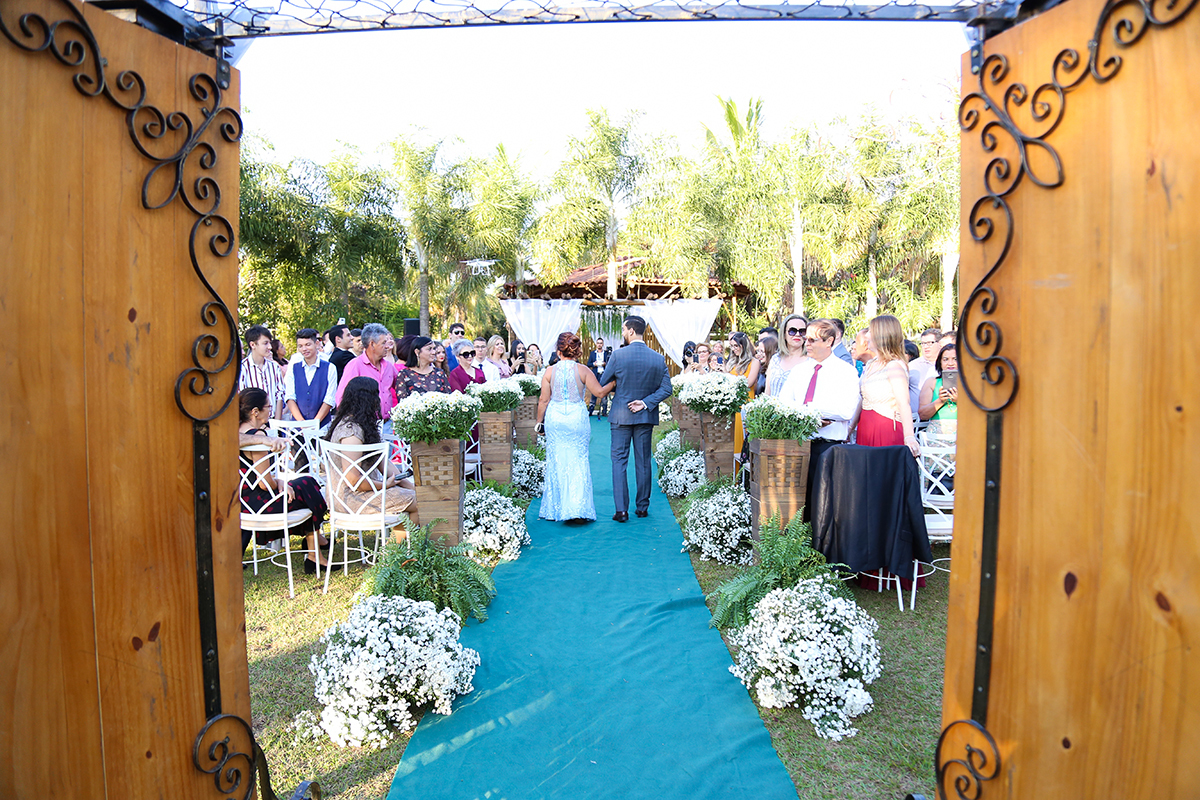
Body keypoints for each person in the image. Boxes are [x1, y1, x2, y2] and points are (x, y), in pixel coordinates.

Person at [238, 388, 330, 574]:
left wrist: (279, 481)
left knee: (305, 485)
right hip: (259, 504)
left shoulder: (237, 432)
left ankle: (316, 551)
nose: (271, 411)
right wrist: (279, 484)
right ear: (255, 412)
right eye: (268, 407)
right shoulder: (258, 436)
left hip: (244, 500)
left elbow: (259, 477)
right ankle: (315, 550)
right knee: (307, 486)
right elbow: (264, 483)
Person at [778, 320, 863, 521]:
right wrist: (812, 414)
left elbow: (845, 410)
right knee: (799, 506)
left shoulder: (845, 371)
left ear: (829, 341)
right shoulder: (799, 370)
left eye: (812, 340)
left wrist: (808, 410)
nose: (806, 343)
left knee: (824, 506)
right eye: (806, 338)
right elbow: (783, 403)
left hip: (828, 447)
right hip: (798, 444)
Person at [324, 377, 419, 543]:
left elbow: (386, 467)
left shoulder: (363, 425)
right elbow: (353, 480)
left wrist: (414, 488)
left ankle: (397, 549)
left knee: (421, 498)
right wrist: (385, 485)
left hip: (367, 492)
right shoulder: (351, 432)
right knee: (420, 503)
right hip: (350, 499)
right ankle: (394, 553)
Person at [535, 332, 616, 523]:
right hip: (576, 419)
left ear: (558, 350)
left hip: (555, 418)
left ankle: (555, 509)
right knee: (578, 461)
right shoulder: (583, 370)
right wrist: (614, 382)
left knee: (556, 461)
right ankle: (577, 509)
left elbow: (543, 400)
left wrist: (539, 423)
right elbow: (599, 393)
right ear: (576, 350)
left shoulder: (549, 371)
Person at [599, 316, 673, 522]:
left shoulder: (618, 356)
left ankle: (621, 511)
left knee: (619, 462)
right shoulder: (658, 358)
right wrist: (645, 402)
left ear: (631, 331)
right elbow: (667, 388)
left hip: (621, 415)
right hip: (645, 415)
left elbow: (604, 381)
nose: (623, 333)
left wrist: (618, 383)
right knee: (643, 462)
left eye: (624, 330)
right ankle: (642, 508)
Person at [856, 315, 920, 457]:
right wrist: (850, 428)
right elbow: (863, 399)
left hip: (886, 428)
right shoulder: (871, 364)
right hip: (865, 426)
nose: (867, 335)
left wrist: (909, 436)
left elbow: (904, 403)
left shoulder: (894, 366)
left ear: (881, 335)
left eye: (870, 331)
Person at [335, 323, 399, 423]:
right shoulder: (355, 365)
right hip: (364, 423)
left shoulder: (388, 366)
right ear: (372, 344)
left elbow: (401, 385)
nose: (387, 346)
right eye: (383, 343)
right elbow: (341, 397)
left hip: (387, 423)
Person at [284, 328, 338, 429]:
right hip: (297, 428)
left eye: (308, 344)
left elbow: (329, 399)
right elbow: (290, 397)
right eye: (300, 346)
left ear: (316, 344)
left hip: (322, 427)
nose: (304, 349)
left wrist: (314, 424)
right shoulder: (293, 368)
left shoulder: (330, 368)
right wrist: (302, 424)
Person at [726, 331, 761, 462]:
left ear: (743, 345)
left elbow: (749, 383)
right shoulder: (731, 362)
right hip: (732, 403)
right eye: (732, 346)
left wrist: (730, 379)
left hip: (745, 403)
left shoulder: (754, 362)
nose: (733, 349)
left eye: (736, 346)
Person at [238, 325, 284, 419]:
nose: (269, 347)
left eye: (269, 343)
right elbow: (242, 399)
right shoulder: (242, 368)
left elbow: (279, 395)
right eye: (265, 343)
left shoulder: (274, 367)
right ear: (253, 345)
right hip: (252, 422)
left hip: (273, 420)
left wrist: (277, 422)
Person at [918, 343, 958, 435]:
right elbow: (922, 415)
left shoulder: (969, 384)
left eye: (955, 359)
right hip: (937, 435)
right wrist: (940, 401)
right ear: (940, 362)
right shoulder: (931, 382)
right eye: (945, 359)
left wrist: (959, 401)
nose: (950, 363)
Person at [766, 314, 810, 396]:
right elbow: (767, 393)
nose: (797, 334)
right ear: (784, 334)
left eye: (802, 331)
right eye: (792, 331)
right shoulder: (775, 359)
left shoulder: (811, 361)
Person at [586, 337, 613, 416]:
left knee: (604, 392)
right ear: (596, 344)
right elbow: (588, 364)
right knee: (594, 392)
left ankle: (604, 411)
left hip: (604, 374)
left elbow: (610, 364)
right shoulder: (593, 353)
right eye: (598, 343)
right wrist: (594, 364)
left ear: (603, 344)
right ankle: (591, 410)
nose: (599, 345)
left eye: (601, 343)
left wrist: (605, 364)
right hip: (595, 374)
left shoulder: (606, 354)